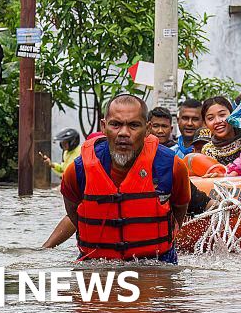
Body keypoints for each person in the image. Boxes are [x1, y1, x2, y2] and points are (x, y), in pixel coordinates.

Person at [58, 94, 192, 263]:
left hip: (157, 261)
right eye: (115, 124)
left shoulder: (172, 166)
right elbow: (73, 211)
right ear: (103, 126)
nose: (123, 133)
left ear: (147, 129)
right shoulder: (78, 170)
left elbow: (180, 208)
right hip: (96, 261)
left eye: (134, 125)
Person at [196, 96, 241, 167]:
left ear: (232, 115)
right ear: (205, 124)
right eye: (210, 118)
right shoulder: (208, 150)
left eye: (222, 115)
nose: (217, 121)